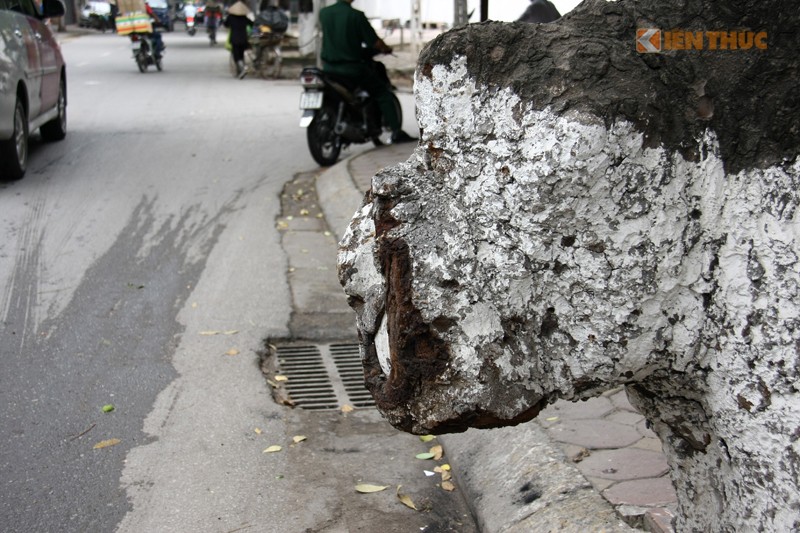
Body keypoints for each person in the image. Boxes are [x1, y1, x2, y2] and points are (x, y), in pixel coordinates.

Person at [319, 0, 416, 144]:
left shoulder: (324, 13)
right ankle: (396, 131)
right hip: (352, 70)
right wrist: (386, 48)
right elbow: (375, 42)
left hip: (328, 69)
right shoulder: (356, 16)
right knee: (382, 92)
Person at [224, 0, 253, 78]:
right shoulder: (244, 18)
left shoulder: (230, 17)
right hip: (244, 39)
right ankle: (241, 69)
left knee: (236, 55)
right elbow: (252, 24)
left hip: (234, 39)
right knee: (241, 54)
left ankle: (243, 68)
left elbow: (226, 25)